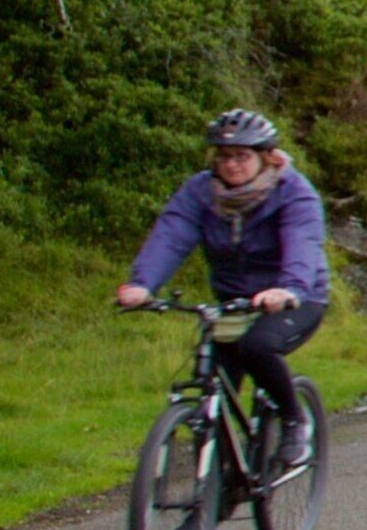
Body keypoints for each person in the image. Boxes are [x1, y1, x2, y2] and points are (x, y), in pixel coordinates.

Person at [115, 109, 327, 479]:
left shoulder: (293, 192)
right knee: (212, 389)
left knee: (256, 347)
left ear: (266, 157)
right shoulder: (201, 192)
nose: (231, 165)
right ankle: (214, 496)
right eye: (224, 156)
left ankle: (294, 421)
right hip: (232, 302)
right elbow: (172, 234)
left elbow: (302, 242)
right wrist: (143, 285)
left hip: (297, 296)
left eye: (242, 156)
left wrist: (288, 288)